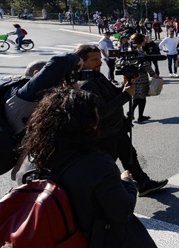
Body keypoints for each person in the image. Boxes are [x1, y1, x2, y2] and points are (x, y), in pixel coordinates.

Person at [18, 87, 157, 247]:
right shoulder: (98, 164)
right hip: (93, 237)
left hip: (55, 235)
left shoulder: (35, 156)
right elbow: (122, 211)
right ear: (87, 124)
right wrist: (127, 183)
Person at [72, 45, 168, 197]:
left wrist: (127, 85)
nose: (100, 62)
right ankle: (107, 199)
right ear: (81, 62)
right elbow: (101, 112)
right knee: (106, 166)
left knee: (130, 155)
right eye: (94, 59)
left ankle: (143, 183)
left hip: (116, 128)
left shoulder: (96, 75)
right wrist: (126, 95)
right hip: (105, 134)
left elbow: (113, 94)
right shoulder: (87, 83)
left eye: (99, 58)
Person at [128, 34, 160, 123]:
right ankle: (138, 115)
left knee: (137, 97)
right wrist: (153, 74)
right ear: (140, 41)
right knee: (141, 97)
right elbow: (146, 65)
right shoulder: (139, 52)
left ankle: (131, 113)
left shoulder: (130, 50)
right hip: (141, 77)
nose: (145, 41)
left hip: (133, 77)